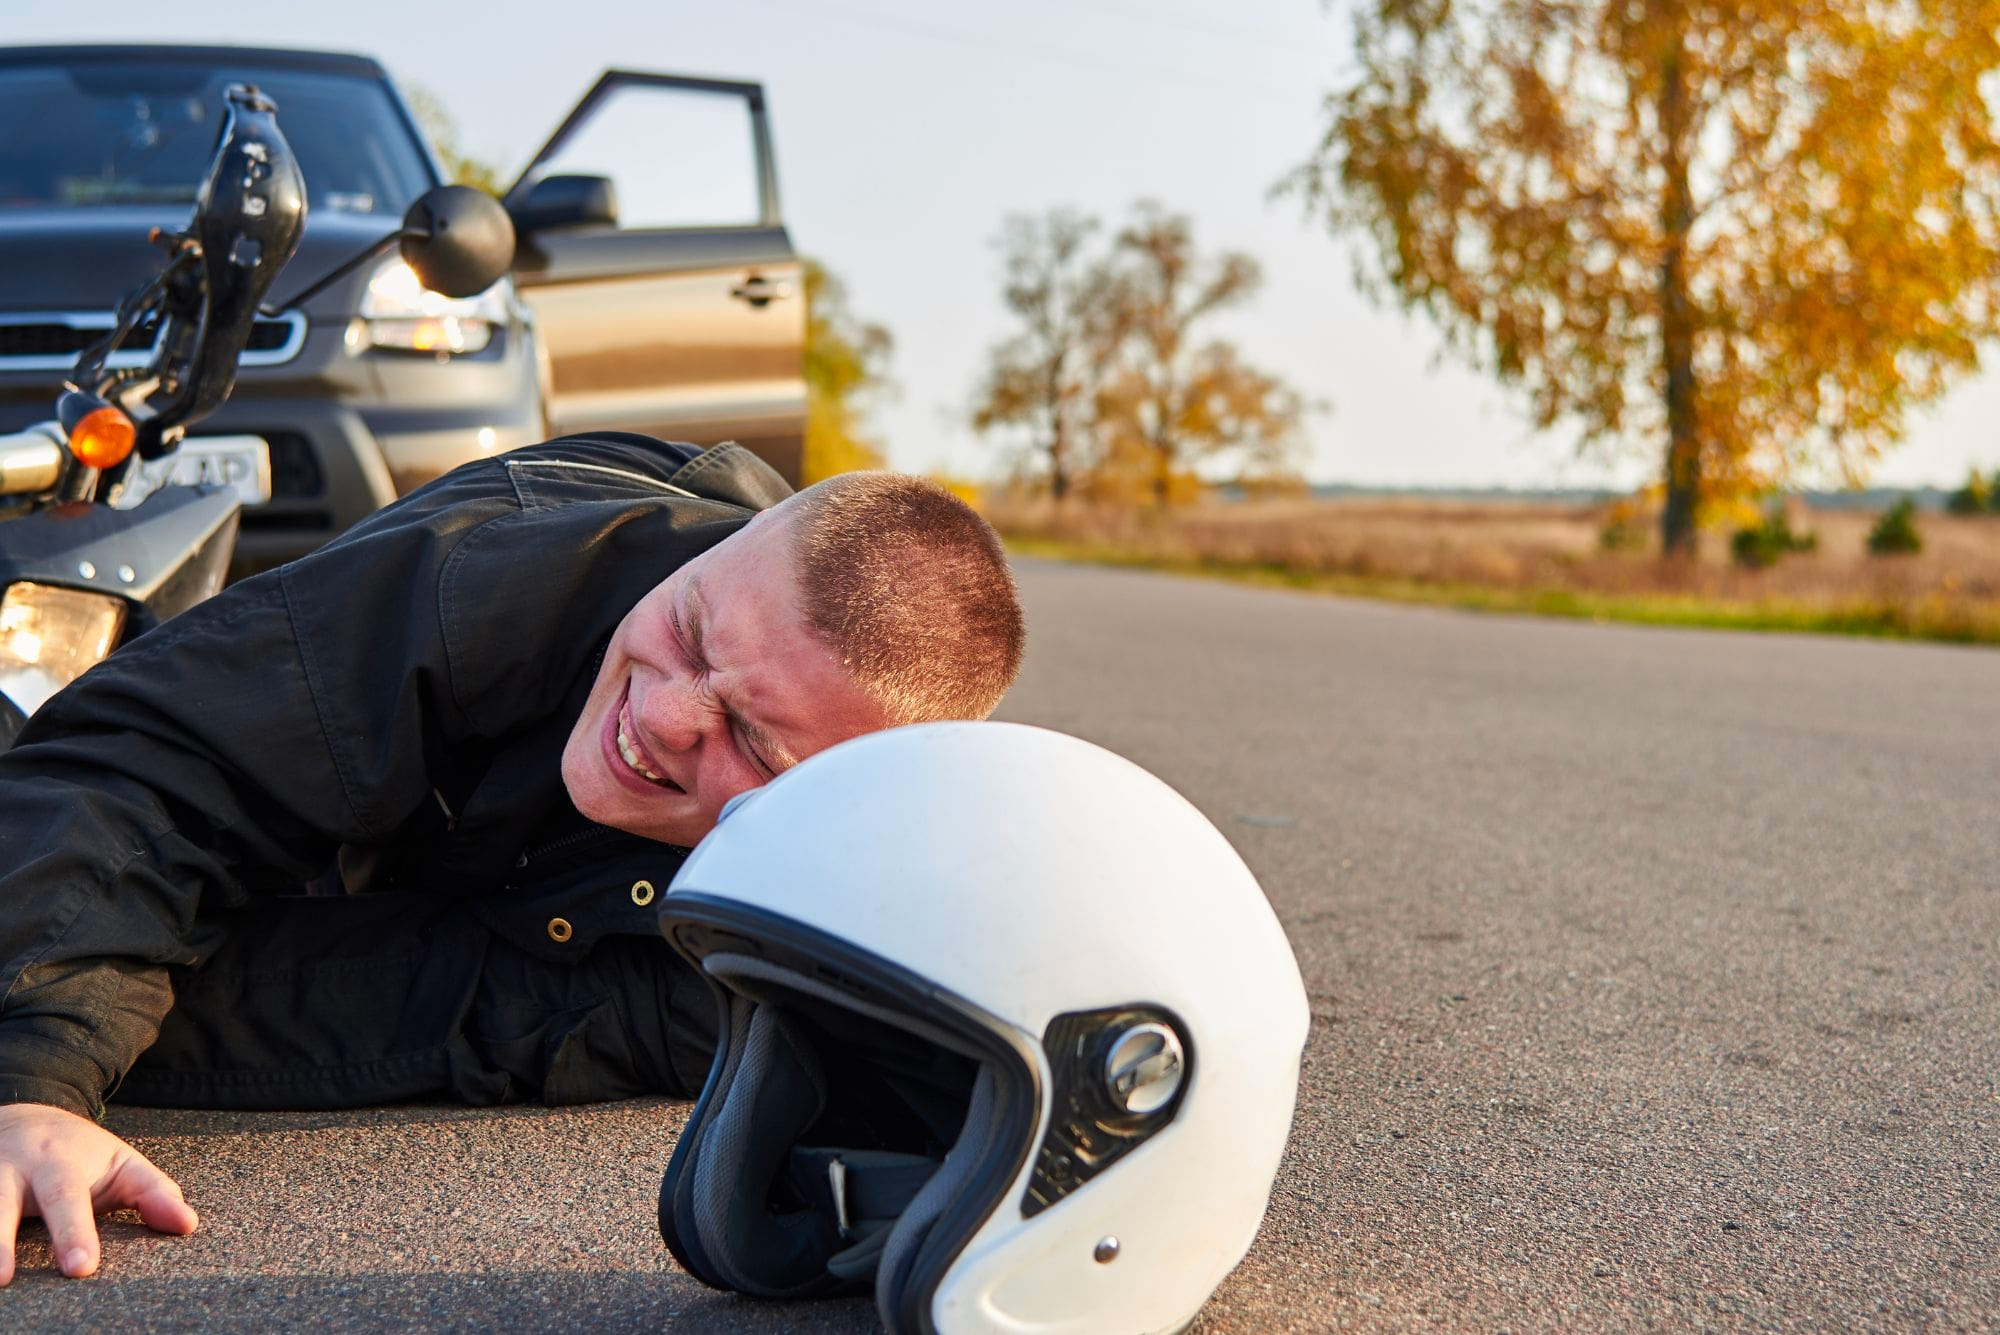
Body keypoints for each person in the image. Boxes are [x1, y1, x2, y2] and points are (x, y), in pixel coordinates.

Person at [0, 433, 1025, 1285]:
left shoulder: (779, 929)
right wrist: (39, 1073)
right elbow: (148, 762)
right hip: (295, 758)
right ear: (723, 553)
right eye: (689, 627)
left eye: (752, 743)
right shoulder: (486, 573)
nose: (663, 714)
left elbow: (434, 1009)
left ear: (836, 807)